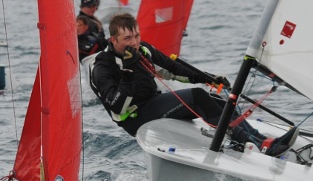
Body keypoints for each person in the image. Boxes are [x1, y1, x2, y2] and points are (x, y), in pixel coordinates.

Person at [88, 14, 265, 150]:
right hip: (135, 118)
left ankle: (259, 139)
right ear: (113, 40)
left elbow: (174, 69)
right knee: (197, 96)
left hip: (153, 104)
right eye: (127, 38)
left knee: (216, 99)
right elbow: (117, 108)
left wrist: (208, 78)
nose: (134, 42)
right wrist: (128, 70)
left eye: (136, 36)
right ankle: (246, 141)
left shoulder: (144, 50)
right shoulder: (103, 67)